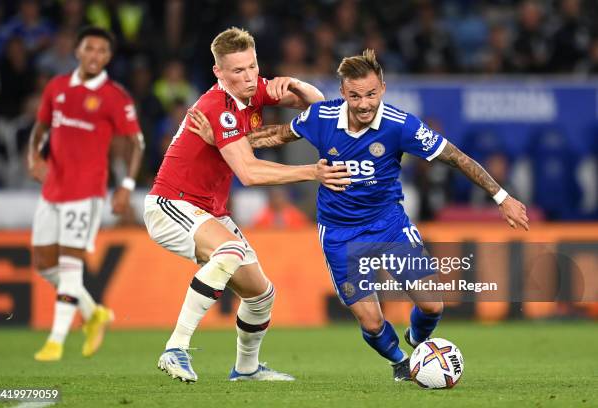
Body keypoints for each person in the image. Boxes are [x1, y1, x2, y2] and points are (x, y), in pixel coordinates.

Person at [192, 49, 529, 381]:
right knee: (371, 322)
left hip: (388, 224)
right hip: (340, 232)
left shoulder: (400, 126)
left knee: (433, 306)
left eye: (371, 94)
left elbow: (455, 157)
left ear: (382, 88)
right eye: (355, 96)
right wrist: (225, 140)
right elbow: (278, 134)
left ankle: (416, 340)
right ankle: (401, 363)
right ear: (343, 93)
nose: (365, 103)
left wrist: (502, 197)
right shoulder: (322, 117)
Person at [143, 27, 349, 383]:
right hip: (170, 203)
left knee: (261, 294)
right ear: (218, 73)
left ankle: (247, 368)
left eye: (252, 67)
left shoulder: (253, 90)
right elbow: (249, 173)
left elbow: (324, 108)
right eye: (237, 71)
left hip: (209, 210)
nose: (249, 77)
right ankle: (175, 348)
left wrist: (296, 84)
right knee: (230, 252)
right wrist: (312, 172)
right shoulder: (216, 107)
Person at [28, 26, 144, 361]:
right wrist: (33, 157)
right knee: (43, 264)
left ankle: (56, 340)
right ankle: (94, 313)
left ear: (108, 57)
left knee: (68, 266)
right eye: (89, 49)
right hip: (52, 190)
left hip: (86, 191)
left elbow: (136, 142)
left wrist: (125, 186)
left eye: (102, 51)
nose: (95, 55)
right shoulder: (57, 87)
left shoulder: (114, 96)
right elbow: (41, 126)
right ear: (77, 51)